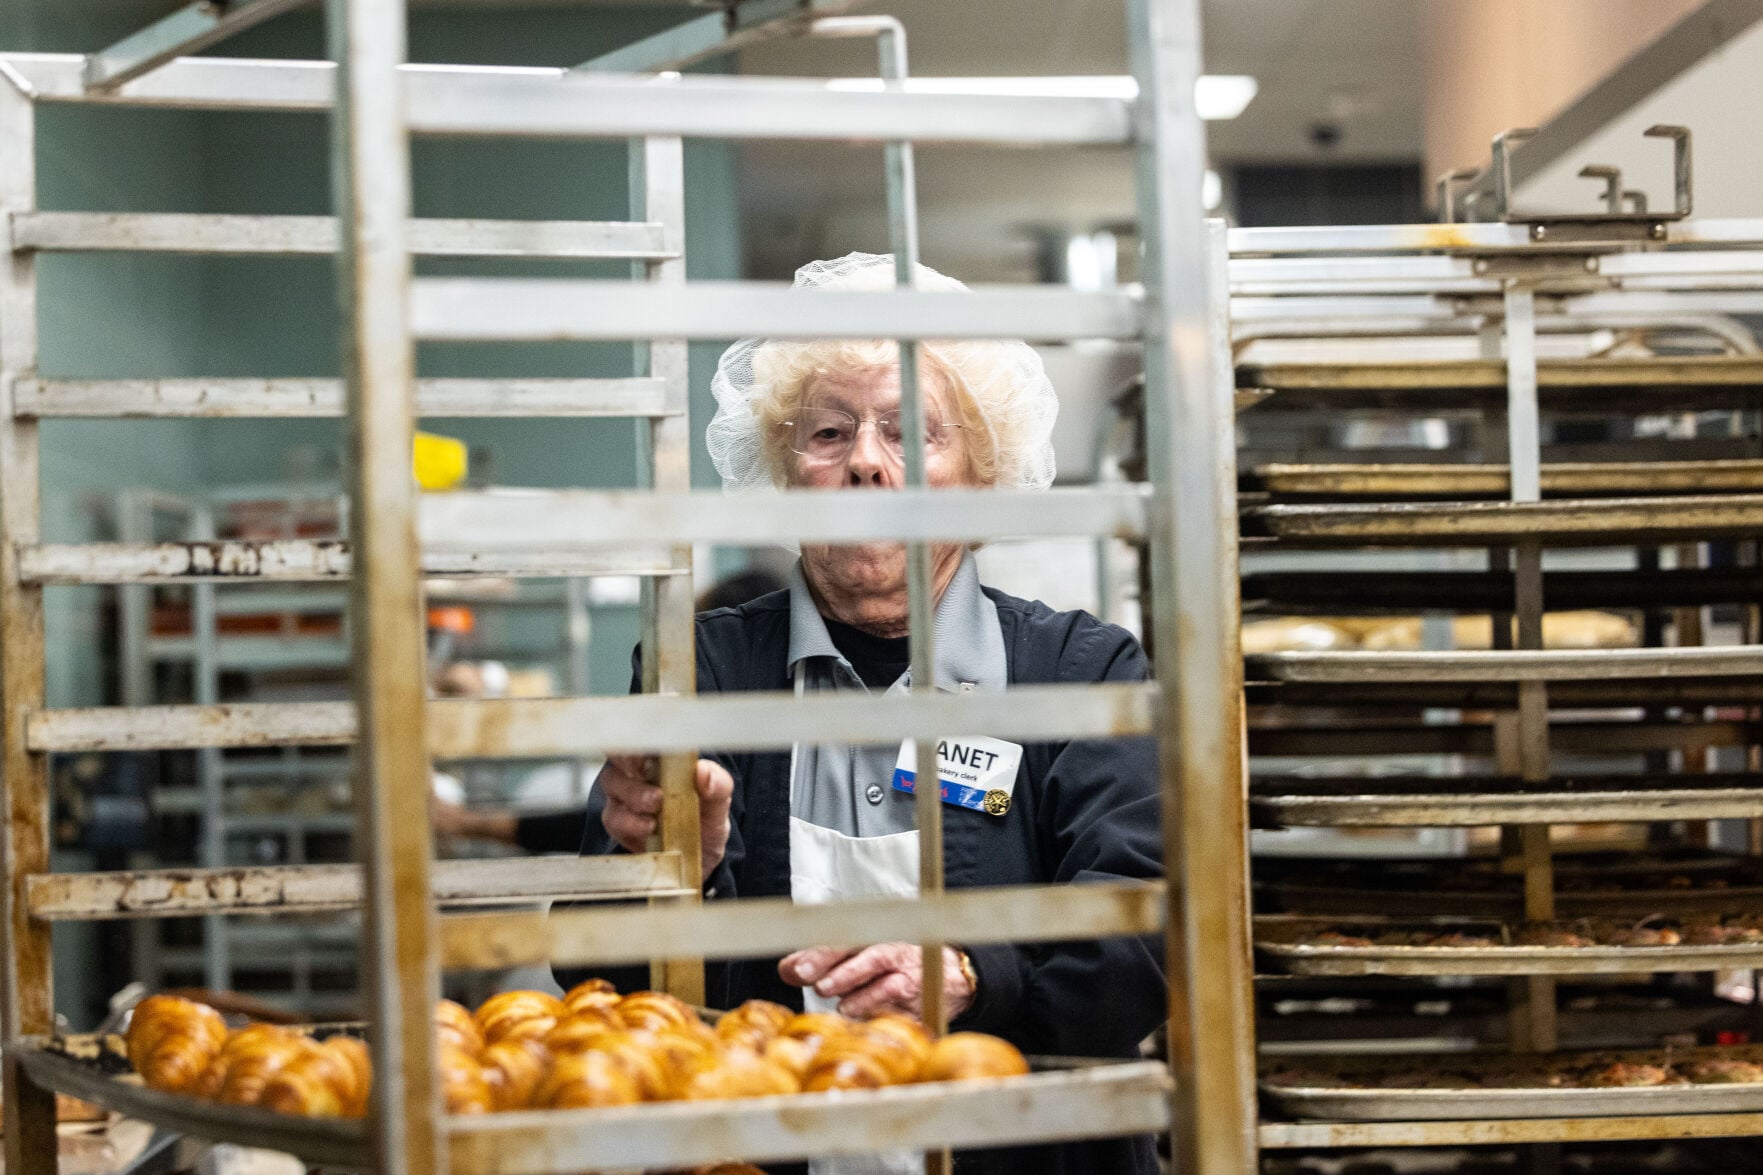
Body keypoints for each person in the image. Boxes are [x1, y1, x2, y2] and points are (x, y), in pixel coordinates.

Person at [577, 253, 1164, 1175]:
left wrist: (974, 973)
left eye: (909, 433)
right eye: (827, 433)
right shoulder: (707, 671)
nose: (864, 464)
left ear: (977, 473)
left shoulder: (1077, 671)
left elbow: (1147, 943)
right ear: (782, 466)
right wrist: (670, 868)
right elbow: (604, 990)